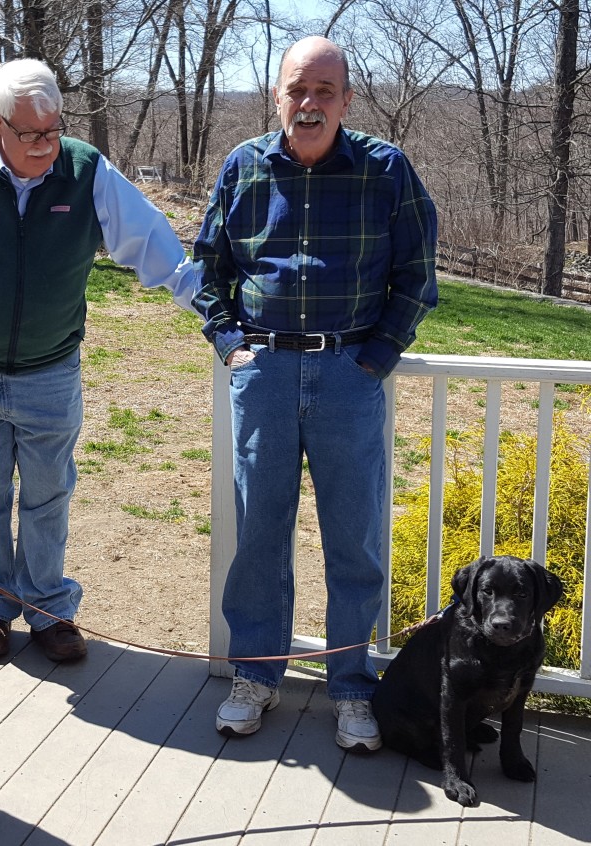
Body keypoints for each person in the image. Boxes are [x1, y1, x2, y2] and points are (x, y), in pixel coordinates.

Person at [0, 58, 198, 663]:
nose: (47, 146)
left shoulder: (86, 171)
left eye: (54, 130)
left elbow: (154, 246)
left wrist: (207, 304)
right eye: (31, 134)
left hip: (51, 371)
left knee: (48, 495)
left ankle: (50, 610)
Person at [193, 35, 437, 751]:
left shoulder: (385, 170)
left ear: (347, 100)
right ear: (278, 94)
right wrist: (231, 344)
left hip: (348, 372)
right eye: (298, 89)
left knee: (353, 539)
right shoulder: (243, 168)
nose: (310, 103)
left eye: (325, 91)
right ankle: (257, 675)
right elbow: (207, 266)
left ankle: (352, 686)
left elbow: (418, 273)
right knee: (259, 535)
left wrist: (377, 357)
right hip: (263, 371)